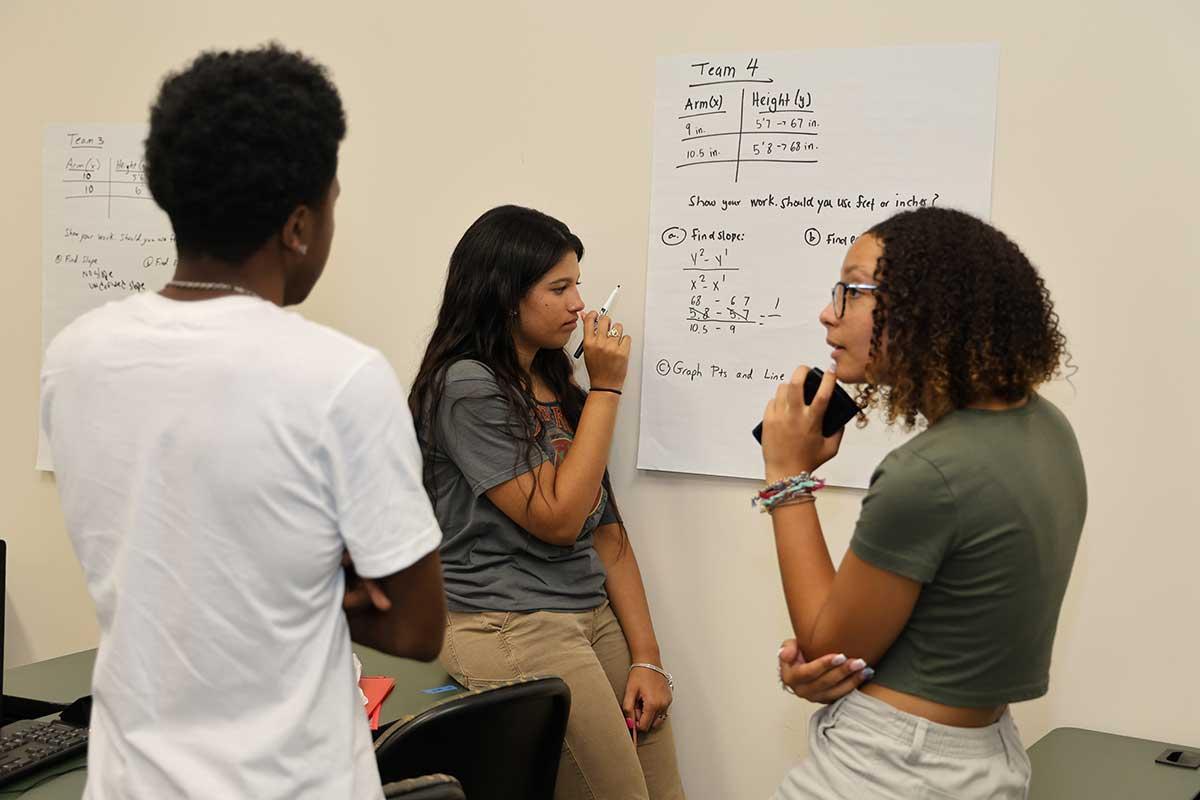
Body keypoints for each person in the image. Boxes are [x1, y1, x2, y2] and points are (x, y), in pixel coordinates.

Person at [41, 44, 445, 799]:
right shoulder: (339, 378)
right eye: (331, 205)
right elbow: (419, 628)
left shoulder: (74, 357)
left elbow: (165, 551)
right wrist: (314, 583)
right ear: (298, 225)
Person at [759, 207, 1086, 799]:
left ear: (927, 306)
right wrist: (828, 669)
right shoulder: (1048, 429)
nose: (828, 312)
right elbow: (920, 630)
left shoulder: (929, 473)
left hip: (891, 769)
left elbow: (826, 646)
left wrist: (788, 476)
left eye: (851, 291)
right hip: (983, 760)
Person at [408, 205, 685, 800]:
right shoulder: (466, 386)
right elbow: (558, 520)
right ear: (505, 295)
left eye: (577, 284)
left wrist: (648, 658)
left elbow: (605, 533)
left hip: (588, 615)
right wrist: (609, 387)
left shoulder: (560, 388)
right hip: (507, 621)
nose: (579, 304)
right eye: (559, 288)